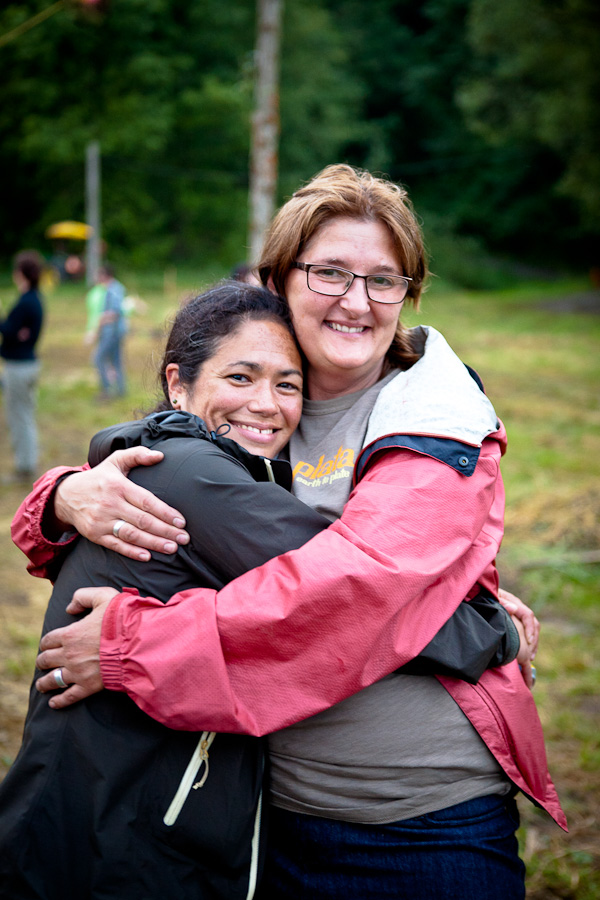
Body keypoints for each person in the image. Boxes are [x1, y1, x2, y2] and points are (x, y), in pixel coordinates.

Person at [13, 165, 565, 899]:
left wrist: (129, 647)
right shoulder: (270, 406)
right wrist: (62, 497)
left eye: (385, 280)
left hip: (421, 821)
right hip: (271, 817)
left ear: (409, 295)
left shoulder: (434, 421)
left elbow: (359, 590)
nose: (357, 301)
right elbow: (177, 493)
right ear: (280, 279)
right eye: (330, 272)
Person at [0, 250, 44, 483]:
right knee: (24, 414)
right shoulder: (35, 299)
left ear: (21, 274)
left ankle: (25, 467)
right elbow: (14, 333)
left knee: (19, 416)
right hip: (27, 364)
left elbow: (8, 332)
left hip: (19, 367)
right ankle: (28, 461)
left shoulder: (26, 302)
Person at [94, 263, 127, 400]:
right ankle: (121, 390)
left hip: (112, 332)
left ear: (104, 275)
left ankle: (106, 390)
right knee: (116, 360)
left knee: (98, 358)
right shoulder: (115, 288)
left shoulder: (113, 290)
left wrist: (101, 321)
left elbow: (115, 312)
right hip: (116, 331)